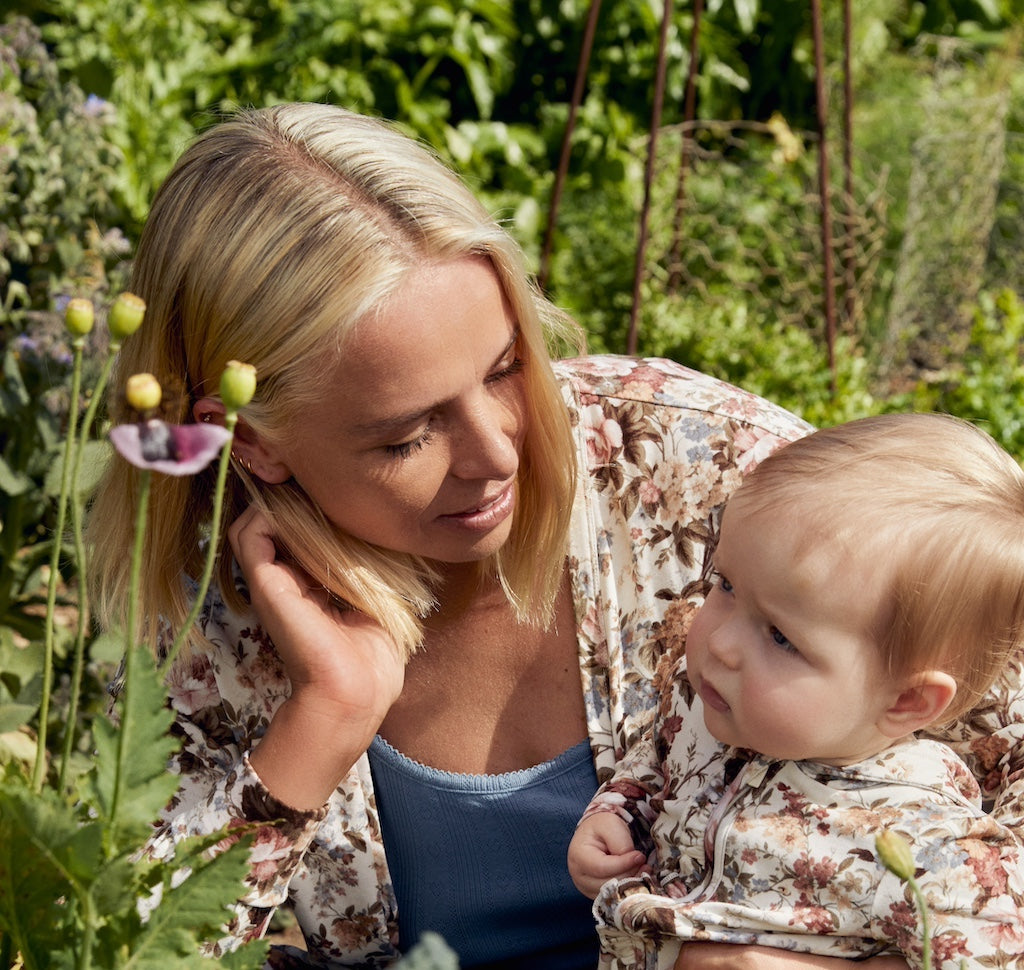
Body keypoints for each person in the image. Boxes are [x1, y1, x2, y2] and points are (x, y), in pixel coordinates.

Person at [85, 102, 1024, 970]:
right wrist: (323, 717)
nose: (498, 453)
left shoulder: (697, 470)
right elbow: (126, 948)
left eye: (504, 369)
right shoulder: (204, 623)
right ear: (251, 436)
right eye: (408, 435)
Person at [568, 413, 1024, 970]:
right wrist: (617, 813)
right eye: (727, 586)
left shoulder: (925, 840)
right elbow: (655, 761)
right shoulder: (709, 711)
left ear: (905, 701)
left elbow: (1000, 953)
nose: (722, 644)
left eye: (782, 637)